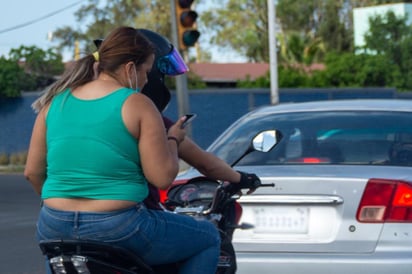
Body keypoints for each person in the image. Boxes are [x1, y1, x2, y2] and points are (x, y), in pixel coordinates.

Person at [24, 26, 222, 274]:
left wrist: (62, 206)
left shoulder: (54, 103)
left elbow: (32, 172)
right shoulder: (137, 103)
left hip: (53, 225)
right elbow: (161, 178)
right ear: (130, 68)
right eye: (147, 71)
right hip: (118, 226)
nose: (147, 79)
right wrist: (172, 140)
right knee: (208, 236)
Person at [137, 28, 261, 210]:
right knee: (207, 234)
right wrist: (242, 178)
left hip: (83, 217)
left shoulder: (87, 108)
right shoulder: (148, 117)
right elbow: (200, 164)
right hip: (133, 217)